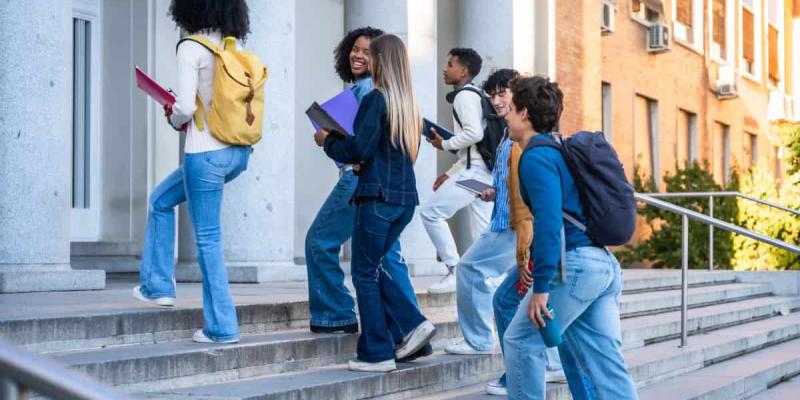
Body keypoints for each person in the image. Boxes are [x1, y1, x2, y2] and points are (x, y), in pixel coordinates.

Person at [502, 75, 637, 400]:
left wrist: (542, 288)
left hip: (573, 267)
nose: (504, 115)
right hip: (601, 266)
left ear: (523, 113)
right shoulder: (558, 150)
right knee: (606, 366)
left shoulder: (536, 157)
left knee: (520, 341)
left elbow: (549, 223)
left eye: (509, 108)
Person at [132, 0, 253, 344]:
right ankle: (157, 286)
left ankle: (222, 327)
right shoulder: (233, 47)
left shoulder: (191, 47)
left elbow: (185, 107)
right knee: (160, 200)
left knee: (208, 241)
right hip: (237, 152)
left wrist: (172, 115)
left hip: (205, 155)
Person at [315, 34, 436, 373]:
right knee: (375, 267)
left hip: (377, 197)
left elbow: (358, 151)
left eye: (372, 55)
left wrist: (327, 141)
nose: (366, 60)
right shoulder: (409, 104)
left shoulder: (376, 100)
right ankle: (412, 324)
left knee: (364, 273)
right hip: (403, 200)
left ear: (382, 61)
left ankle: (377, 352)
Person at [444, 68, 524, 357]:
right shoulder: (507, 132)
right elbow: (513, 179)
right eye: (492, 96)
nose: (497, 101)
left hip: (513, 225)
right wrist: (494, 192)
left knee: (469, 268)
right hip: (506, 219)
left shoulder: (522, 134)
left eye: (503, 93)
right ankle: (550, 364)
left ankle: (478, 340)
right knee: (512, 296)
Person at [423, 48, 494, 294]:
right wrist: (451, 172)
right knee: (483, 230)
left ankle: (455, 269)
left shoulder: (464, 96)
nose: (445, 68)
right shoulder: (477, 94)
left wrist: (443, 144)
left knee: (431, 213)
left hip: (474, 175)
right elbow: (474, 147)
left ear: (463, 71)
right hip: (483, 174)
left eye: (450, 64)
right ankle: (490, 281)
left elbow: (474, 134)